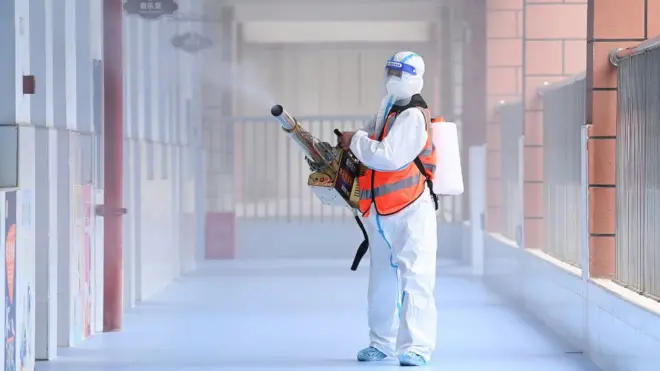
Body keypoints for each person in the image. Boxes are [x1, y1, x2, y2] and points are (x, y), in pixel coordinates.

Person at [338, 51, 438, 367]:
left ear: (416, 77)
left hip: (411, 210)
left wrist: (356, 141)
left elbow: (389, 156)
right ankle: (380, 343)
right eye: (390, 73)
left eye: (400, 74)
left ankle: (417, 347)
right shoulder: (388, 109)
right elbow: (370, 138)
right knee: (381, 279)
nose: (393, 80)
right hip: (381, 212)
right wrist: (352, 140)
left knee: (416, 277)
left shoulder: (412, 116)